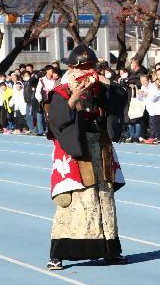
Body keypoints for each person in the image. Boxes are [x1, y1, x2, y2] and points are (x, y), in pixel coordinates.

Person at [47, 44, 127, 270]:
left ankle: (110, 250)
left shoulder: (100, 88)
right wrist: (74, 97)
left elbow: (121, 95)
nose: (85, 72)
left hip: (100, 150)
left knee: (103, 199)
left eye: (91, 67)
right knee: (72, 202)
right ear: (71, 68)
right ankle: (58, 254)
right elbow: (56, 120)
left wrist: (104, 81)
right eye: (82, 68)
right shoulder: (61, 89)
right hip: (76, 152)